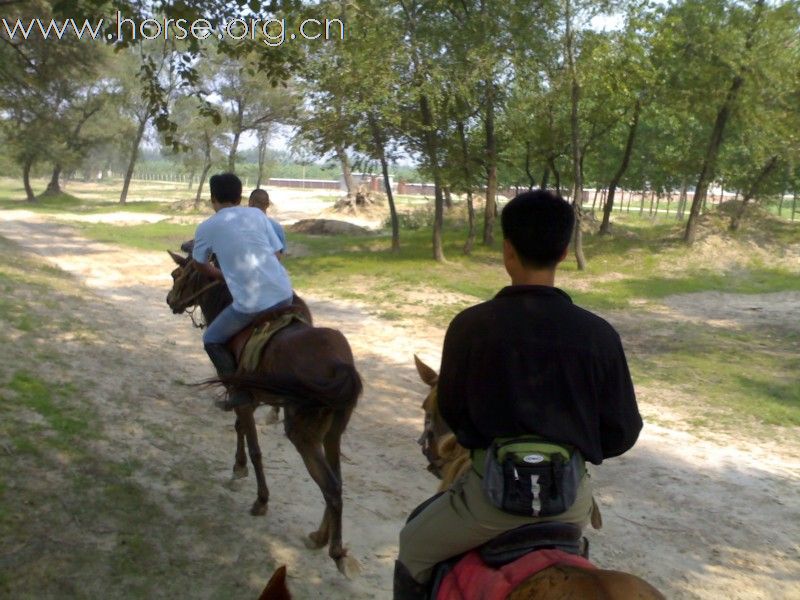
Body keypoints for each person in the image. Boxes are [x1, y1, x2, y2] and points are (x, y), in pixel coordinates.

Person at [394, 190, 643, 599]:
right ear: (564, 252)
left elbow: (454, 415)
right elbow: (623, 431)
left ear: (507, 250)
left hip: (488, 502)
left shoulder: (469, 326)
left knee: (413, 547)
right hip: (569, 502)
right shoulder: (599, 334)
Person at [193, 173, 293, 409]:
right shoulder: (258, 215)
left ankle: (239, 391)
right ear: (240, 197)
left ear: (212, 198)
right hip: (284, 293)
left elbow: (199, 264)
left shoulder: (207, 227)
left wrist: (223, 275)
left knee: (211, 339)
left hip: (252, 304)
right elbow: (277, 252)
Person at [248, 188, 287, 258]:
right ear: (268, 205)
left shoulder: (243, 225)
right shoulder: (276, 227)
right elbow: (280, 253)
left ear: (250, 203)